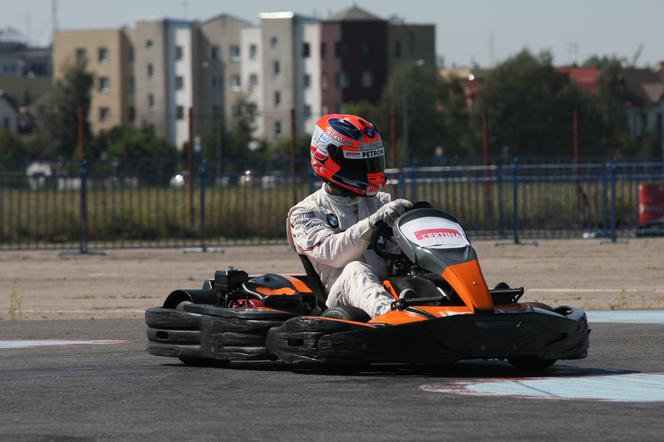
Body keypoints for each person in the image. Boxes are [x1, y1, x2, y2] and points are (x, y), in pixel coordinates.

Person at [287, 114, 412, 318]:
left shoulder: (380, 201)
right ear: (330, 159)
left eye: (373, 161)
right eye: (360, 164)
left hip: (392, 289)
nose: (369, 170)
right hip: (340, 298)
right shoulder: (305, 212)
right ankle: (393, 317)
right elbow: (334, 255)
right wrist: (372, 223)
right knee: (356, 270)